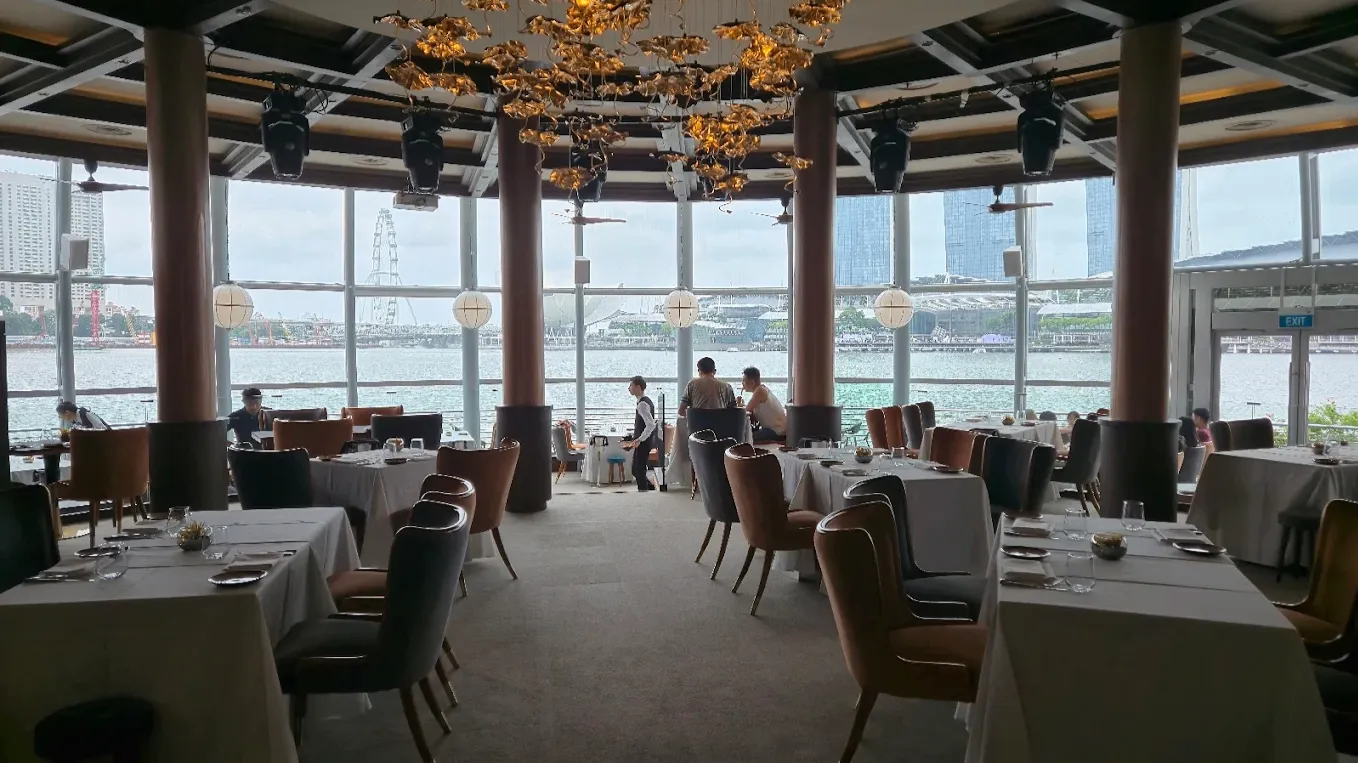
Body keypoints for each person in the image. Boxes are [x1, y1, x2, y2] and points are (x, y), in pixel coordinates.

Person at [622, 376, 658, 491]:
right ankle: (650, 487)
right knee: (636, 469)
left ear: (638, 387)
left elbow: (651, 424)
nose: (629, 388)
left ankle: (643, 492)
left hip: (644, 442)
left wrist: (639, 439)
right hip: (643, 441)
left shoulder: (642, 404)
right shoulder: (645, 401)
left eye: (631, 386)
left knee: (639, 469)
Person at [740, 367, 786, 442]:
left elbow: (746, 410)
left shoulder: (759, 392)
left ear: (752, 382)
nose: (742, 384)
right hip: (777, 429)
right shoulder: (763, 389)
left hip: (776, 431)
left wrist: (739, 405)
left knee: (745, 438)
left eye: (744, 381)